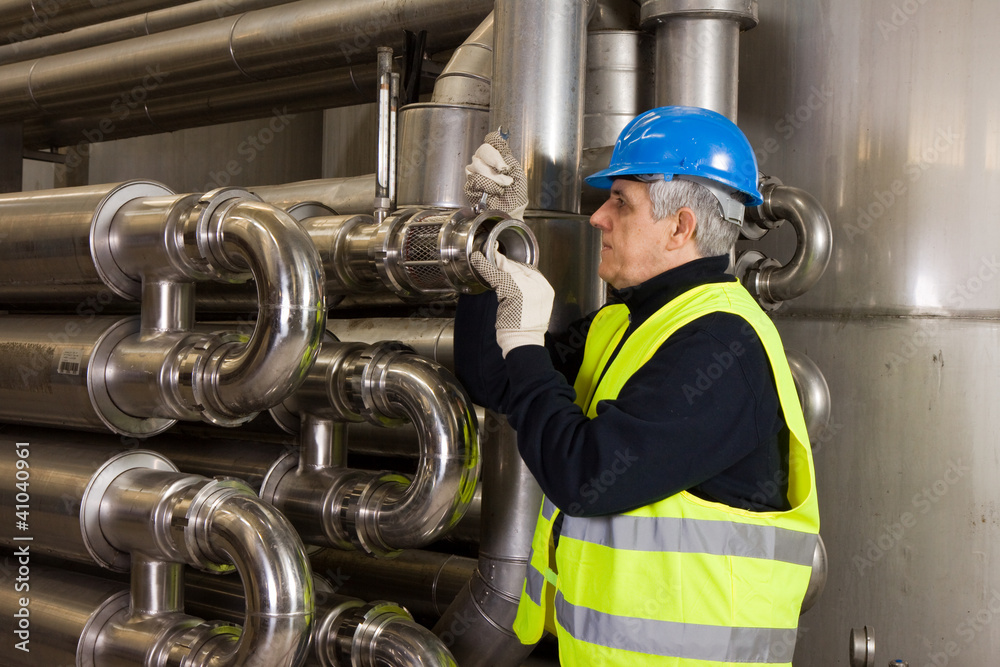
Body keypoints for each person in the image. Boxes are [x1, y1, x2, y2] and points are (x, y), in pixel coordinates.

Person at [456, 106, 819, 666]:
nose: (598, 217)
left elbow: (587, 476)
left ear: (681, 227)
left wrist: (527, 339)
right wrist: (489, 239)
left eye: (620, 202)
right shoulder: (623, 325)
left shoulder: (724, 346)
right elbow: (493, 379)